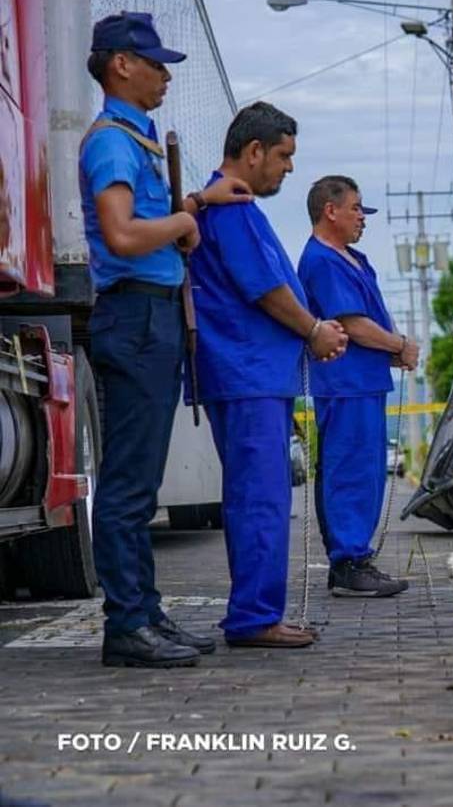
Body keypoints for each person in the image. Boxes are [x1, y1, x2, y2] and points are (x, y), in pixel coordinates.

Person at [80, 12, 252, 668]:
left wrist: (199, 203)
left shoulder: (136, 138)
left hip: (149, 317)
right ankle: (126, 624)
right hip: (135, 317)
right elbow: (123, 235)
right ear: (121, 63)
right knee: (128, 485)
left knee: (141, 481)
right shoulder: (112, 143)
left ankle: (144, 612)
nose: (165, 76)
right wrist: (185, 216)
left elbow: (148, 220)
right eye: (156, 64)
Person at [189, 102, 348, 649]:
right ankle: (254, 617)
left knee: (258, 495)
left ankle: (255, 611)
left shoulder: (234, 207)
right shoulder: (231, 209)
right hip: (247, 373)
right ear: (253, 152)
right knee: (259, 498)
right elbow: (264, 288)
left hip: (251, 374)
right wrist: (312, 331)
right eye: (283, 156)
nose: (288, 168)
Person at [297, 176, 419, 597]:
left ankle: (357, 557)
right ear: (330, 211)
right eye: (355, 209)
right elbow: (351, 323)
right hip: (343, 382)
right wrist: (398, 344)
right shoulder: (322, 261)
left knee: (367, 471)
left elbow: (368, 323)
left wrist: (390, 351)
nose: (361, 219)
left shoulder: (352, 259)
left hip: (364, 381)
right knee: (348, 470)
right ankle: (347, 561)